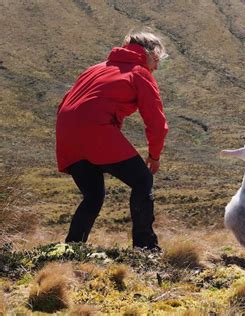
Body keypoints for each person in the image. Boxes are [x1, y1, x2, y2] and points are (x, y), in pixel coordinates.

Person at [56, 31, 169, 250]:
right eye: (156, 61)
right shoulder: (139, 73)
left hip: (66, 134)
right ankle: (145, 248)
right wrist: (154, 156)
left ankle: (71, 249)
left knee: (93, 195)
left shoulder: (94, 69)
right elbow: (156, 123)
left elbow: (67, 103)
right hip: (95, 131)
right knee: (143, 180)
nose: (155, 67)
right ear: (149, 54)